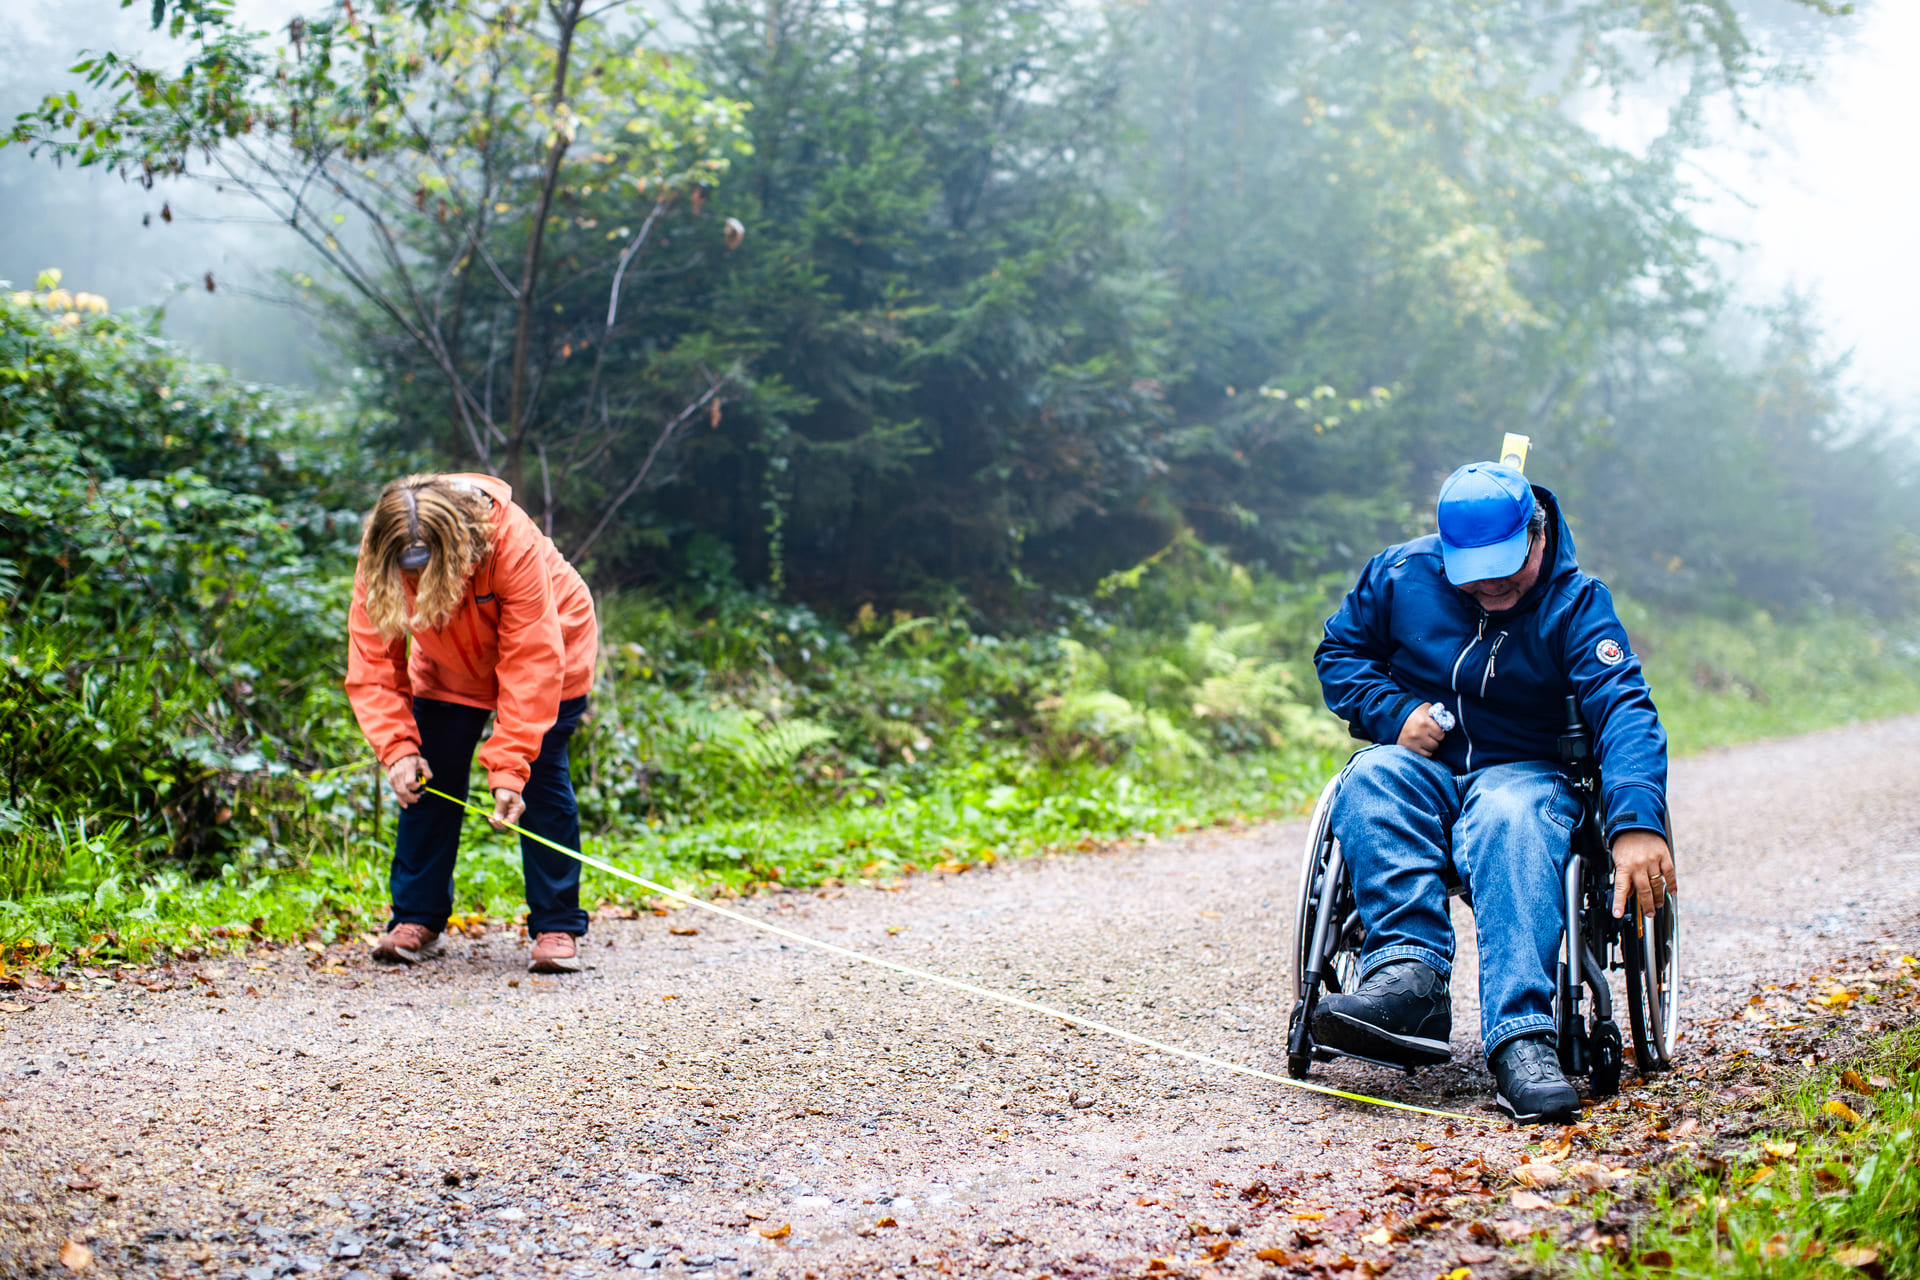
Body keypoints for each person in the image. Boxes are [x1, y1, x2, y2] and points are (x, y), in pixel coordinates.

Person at [1312, 461, 1676, 1124]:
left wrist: (1635, 822)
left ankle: (1521, 1041)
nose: (1490, 585)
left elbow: (1624, 709)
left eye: (1507, 567)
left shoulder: (1575, 603)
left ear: (1539, 536)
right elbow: (1340, 653)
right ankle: (1407, 981)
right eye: (1473, 572)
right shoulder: (1398, 576)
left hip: (1524, 773)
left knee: (1512, 811)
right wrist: (1393, 713)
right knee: (1369, 779)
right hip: (1422, 765)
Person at [345, 474, 599, 974]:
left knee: (542, 778)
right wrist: (396, 746)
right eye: (406, 567)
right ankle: (416, 918)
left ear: (458, 545)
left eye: (424, 566)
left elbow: (531, 658)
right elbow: (372, 658)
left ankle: (557, 924)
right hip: (449, 666)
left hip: (554, 650)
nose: (413, 577)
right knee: (426, 780)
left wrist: (509, 768)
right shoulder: (383, 551)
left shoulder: (510, 541)